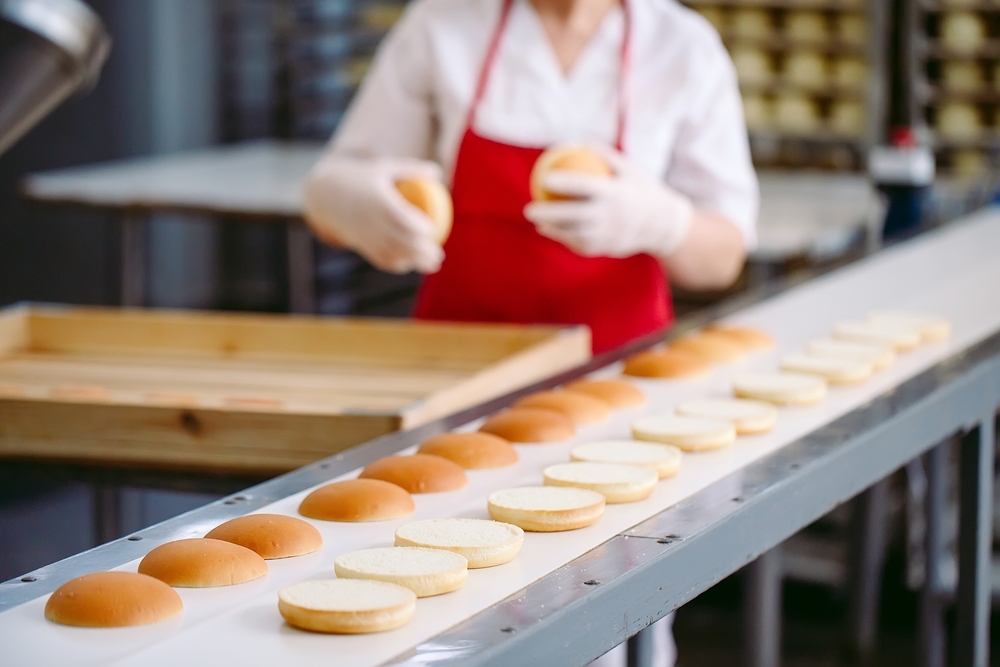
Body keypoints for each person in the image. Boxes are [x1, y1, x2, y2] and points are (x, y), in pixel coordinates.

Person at [303, 0, 758, 661]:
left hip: (621, 407)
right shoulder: (446, 24)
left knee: (612, 619)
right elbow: (335, 186)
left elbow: (725, 253)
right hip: (459, 401)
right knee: (438, 603)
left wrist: (664, 223)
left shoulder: (681, 47)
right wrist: (349, 202)